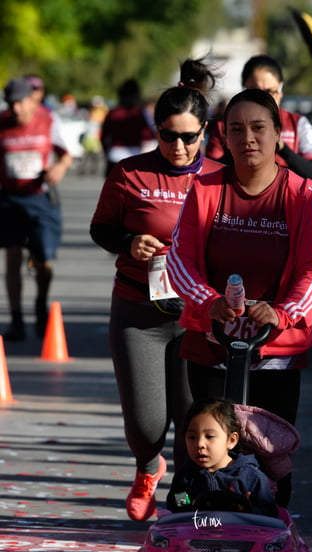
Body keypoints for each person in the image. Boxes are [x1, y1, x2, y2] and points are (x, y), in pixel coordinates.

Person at [167, 88, 312, 507]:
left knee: (268, 456)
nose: (248, 138)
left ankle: (270, 532)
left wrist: (282, 313)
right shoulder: (204, 189)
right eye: (236, 129)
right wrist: (209, 302)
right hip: (210, 346)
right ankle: (194, 528)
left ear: (279, 135)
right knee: (205, 452)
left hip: (274, 352)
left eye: (259, 128)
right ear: (224, 135)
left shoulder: (301, 193)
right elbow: (179, 260)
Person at [89, 58, 223, 522]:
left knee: (195, 426)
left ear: (205, 131)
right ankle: (148, 466)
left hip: (198, 319)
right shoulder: (130, 173)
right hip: (139, 314)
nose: (179, 146)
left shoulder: (220, 178)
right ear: (156, 130)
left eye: (189, 136)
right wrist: (129, 241)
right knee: (147, 425)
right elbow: (101, 229)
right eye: (168, 135)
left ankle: (185, 505)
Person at [0, 78, 73, 341]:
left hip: (40, 198)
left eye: (20, 102)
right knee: (12, 257)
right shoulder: (2, 123)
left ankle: (41, 303)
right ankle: (17, 318)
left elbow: (66, 154)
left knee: (44, 262)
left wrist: (59, 168)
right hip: (9, 199)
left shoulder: (48, 121)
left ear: (32, 100)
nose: (16, 109)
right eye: (11, 104)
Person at [205, 54, 312, 185]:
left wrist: (282, 149)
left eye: (269, 91)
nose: (262, 99)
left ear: (280, 92)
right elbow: (211, 173)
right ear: (244, 89)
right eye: (255, 91)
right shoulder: (225, 125)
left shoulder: (298, 124)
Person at [166, 398, 279, 517]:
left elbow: (269, 514)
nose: (199, 444)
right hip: (198, 533)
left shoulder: (251, 477)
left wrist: (248, 511)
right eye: (192, 437)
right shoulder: (185, 478)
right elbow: (178, 507)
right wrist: (189, 508)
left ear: (231, 440)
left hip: (241, 533)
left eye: (209, 436)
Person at [100, 78, 156, 177]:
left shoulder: (113, 113)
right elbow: (152, 133)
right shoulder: (142, 113)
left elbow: (104, 136)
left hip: (114, 156)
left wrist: (106, 152)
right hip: (135, 157)